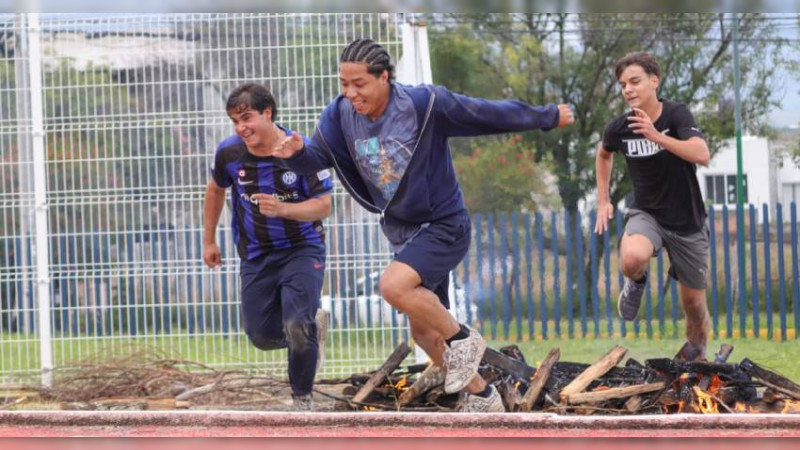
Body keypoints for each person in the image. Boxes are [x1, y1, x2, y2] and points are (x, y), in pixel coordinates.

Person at [272, 38, 575, 412]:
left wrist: (546, 117)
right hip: (403, 232)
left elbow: (484, 113)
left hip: (444, 224)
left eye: (359, 84)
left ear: (384, 77)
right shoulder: (337, 116)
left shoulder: (424, 105)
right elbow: (320, 157)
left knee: (393, 285)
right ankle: (483, 396)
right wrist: (296, 154)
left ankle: (464, 338)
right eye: (343, 83)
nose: (350, 93)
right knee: (425, 332)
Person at [202, 83, 333, 411]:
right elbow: (216, 190)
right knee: (260, 336)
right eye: (235, 120)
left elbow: (323, 205)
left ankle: (302, 400)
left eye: (246, 117)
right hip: (256, 254)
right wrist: (209, 240)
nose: (241, 127)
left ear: (268, 113)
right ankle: (310, 334)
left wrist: (283, 209)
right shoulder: (230, 153)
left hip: (302, 248)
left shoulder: (301, 151)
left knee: (296, 323)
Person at [594, 52, 712, 359]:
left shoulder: (676, 115)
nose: (628, 90)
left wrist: (657, 136)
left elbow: (702, 153)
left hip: (688, 222)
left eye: (635, 81)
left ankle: (696, 361)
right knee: (631, 258)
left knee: (694, 306)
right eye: (623, 85)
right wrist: (603, 200)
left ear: (654, 81)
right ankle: (637, 281)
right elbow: (604, 154)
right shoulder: (618, 128)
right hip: (647, 214)